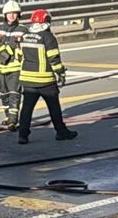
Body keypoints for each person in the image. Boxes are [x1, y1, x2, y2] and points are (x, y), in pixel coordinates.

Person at [16, 8, 77, 144]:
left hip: (27, 79)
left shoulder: (25, 35)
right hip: (45, 80)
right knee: (54, 107)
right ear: (47, 21)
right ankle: (61, 132)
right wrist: (60, 73)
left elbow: (19, 55)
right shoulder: (47, 37)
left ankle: (22, 135)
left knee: (26, 109)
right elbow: (53, 58)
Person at [0, 0, 25, 131]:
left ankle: (13, 121)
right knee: (4, 95)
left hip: (15, 69)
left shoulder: (23, 30)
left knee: (14, 94)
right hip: (0, 69)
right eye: (9, 13)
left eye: (14, 13)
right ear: (5, 15)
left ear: (18, 14)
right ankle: (8, 117)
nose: (12, 16)